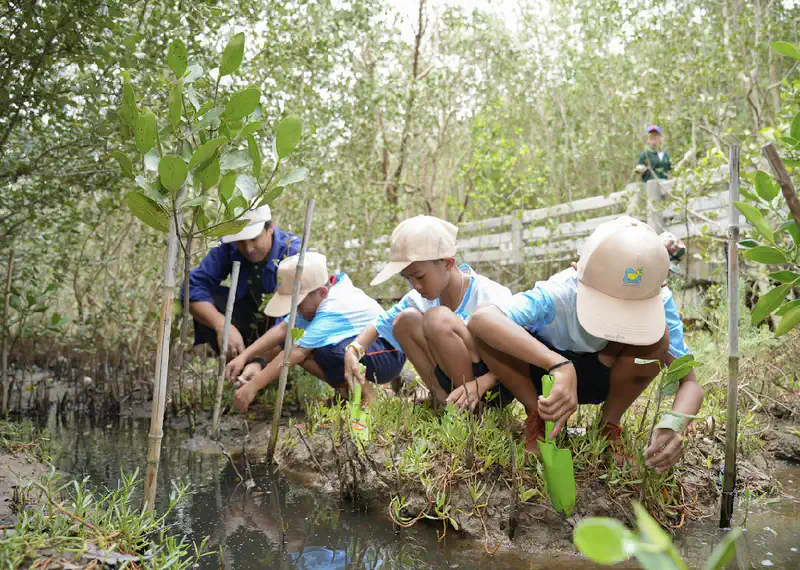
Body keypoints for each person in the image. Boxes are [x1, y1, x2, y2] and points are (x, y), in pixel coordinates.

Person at [468, 216, 703, 473]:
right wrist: (558, 365)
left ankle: (608, 426)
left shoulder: (658, 301)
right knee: (492, 334)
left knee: (661, 338)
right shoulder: (559, 293)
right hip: (544, 377)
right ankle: (536, 416)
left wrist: (674, 423)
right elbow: (482, 319)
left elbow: (689, 382)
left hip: (603, 373)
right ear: (577, 270)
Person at [343, 215, 514, 410]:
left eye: (420, 276)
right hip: (454, 380)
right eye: (408, 278)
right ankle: (442, 401)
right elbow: (381, 322)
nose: (415, 285)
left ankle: (472, 410)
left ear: (447, 263)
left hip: (493, 384)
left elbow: (518, 352)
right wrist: (353, 349)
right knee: (405, 320)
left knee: (437, 319)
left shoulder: (488, 293)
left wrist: (482, 383)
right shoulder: (421, 297)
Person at [227, 252, 406, 412]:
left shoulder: (333, 306)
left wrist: (253, 387)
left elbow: (294, 354)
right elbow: (283, 329)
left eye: (297, 303)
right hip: (364, 349)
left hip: (388, 354)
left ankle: (368, 396)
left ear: (321, 292)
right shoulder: (315, 301)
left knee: (322, 351)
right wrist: (244, 356)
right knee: (299, 344)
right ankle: (346, 393)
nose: (294, 309)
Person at [181, 205, 300, 359]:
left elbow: (296, 319)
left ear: (270, 228)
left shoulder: (293, 253)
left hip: (281, 331)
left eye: (254, 239)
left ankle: (257, 367)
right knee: (208, 298)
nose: (248, 249)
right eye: (241, 241)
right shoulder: (229, 245)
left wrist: (258, 361)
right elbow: (192, 286)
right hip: (248, 320)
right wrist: (222, 326)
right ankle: (235, 364)